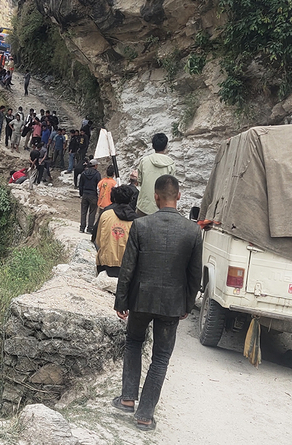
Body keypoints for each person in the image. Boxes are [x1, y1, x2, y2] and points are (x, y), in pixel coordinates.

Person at [113, 175, 202, 431]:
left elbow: (127, 267)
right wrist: (187, 304)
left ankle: (127, 398)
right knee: (161, 358)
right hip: (172, 304)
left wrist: (121, 300)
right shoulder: (193, 231)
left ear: (155, 197)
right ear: (179, 197)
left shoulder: (140, 225)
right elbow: (194, 274)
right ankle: (144, 415)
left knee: (133, 343)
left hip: (141, 299)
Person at [94, 185, 137, 278]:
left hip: (105, 264)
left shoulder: (106, 215)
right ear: (131, 200)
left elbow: (98, 240)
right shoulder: (137, 221)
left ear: (114, 198)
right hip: (127, 266)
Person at [135, 133, 176, 216]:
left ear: (153, 146)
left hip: (144, 206)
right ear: (166, 146)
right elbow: (171, 187)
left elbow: (139, 181)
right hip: (163, 207)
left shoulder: (144, 161)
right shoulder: (171, 164)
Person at [78, 159, 102, 233]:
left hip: (85, 194)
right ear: (95, 165)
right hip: (93, 195)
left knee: (83, 211)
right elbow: (99, 186)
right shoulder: (97, 174)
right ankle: (90, 228)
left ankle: (82, 228)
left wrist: (81, 193)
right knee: (92, 212)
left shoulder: (83, 173)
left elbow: (80, 184)